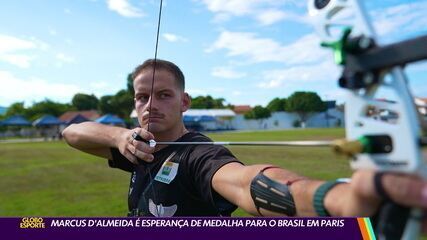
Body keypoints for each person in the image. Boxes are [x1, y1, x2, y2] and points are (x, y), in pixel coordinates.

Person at [62, 59, 427, 222]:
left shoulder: (199, 154)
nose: (150, 105)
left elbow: (244, 181)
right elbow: (72, 133)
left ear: (184, 101)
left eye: (164, 95)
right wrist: (120, 135)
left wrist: (333, 200)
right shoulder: (140, 147)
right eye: (142, 97)